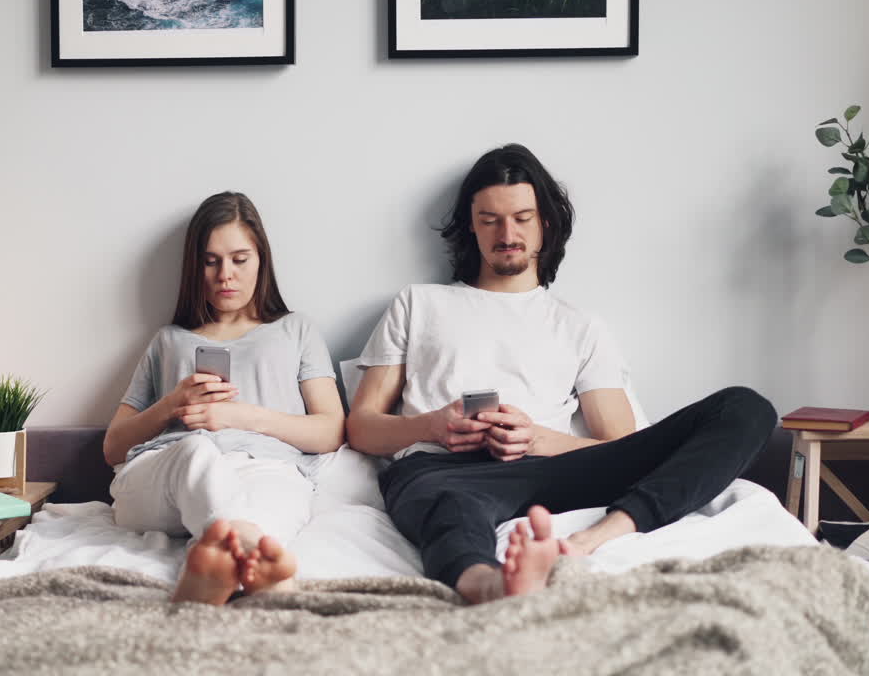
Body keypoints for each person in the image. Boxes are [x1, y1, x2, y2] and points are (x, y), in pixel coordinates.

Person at [346, 144, 777, 605]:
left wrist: (538, 440)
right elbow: (361, 427)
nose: (506, 233)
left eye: (522, 218)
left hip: (553, 470)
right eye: (489, 219)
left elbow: (621, 446)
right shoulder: (418, 304)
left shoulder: (580, 326)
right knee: (451, 508)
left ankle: (604, 533)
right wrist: (433, 425)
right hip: (441, 470)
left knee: (747, 408)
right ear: (471, 226)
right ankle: (486, 584)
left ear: (545, 224)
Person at [104, 191, 344, 605]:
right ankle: (248, 561)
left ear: (261, 259)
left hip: (266, 468)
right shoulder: (169, 340)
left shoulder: (296, 331)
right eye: (211, 261)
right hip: (166, 473)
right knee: (196, 452)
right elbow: (113, 448)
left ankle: (210, 569)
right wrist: (173, 403)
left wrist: (238, 416)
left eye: (239, 259)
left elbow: (331, 430)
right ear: (195, 267)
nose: (225, 275)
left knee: (272, 504)